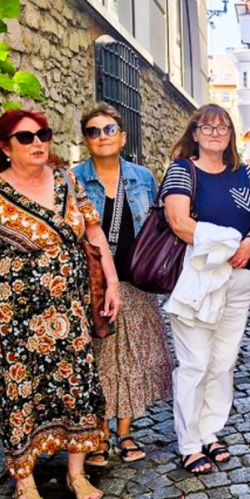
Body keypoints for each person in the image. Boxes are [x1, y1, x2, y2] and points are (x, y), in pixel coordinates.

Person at [0, 109, 121, 499]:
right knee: (19, 397)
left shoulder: (68, 181)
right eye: (26, 137)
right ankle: (25, 483)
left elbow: (94, 232)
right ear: (5, 147)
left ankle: (76, 472)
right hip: (16, 323)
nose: (37, 143)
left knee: (77, 388)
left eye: (42, 134)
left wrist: (112, 283)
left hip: (70, 313)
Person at [162, 104, 250, 475]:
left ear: (231, 134)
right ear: (194, 133)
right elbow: (178, 222)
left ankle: (210, 432)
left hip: (240, 276)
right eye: (206, 127)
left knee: (223, 362)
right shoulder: (182, 171)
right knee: (194, 363)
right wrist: (226, 244)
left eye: (222, 126)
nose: (214, 133)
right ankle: (189, 444)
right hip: (200, 279)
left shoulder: (245, 173)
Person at [71, 103, 173, 465]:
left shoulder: (143, 178)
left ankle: (126, 433)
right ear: (85, 139)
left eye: (109, 129)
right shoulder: (74, 179)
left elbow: (159, 226)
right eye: (94, 131)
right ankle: (99, 434)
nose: (102, 136)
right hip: (94, 283)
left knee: (132, 358)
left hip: (135, 278)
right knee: (98, 358)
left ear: (123, 136)